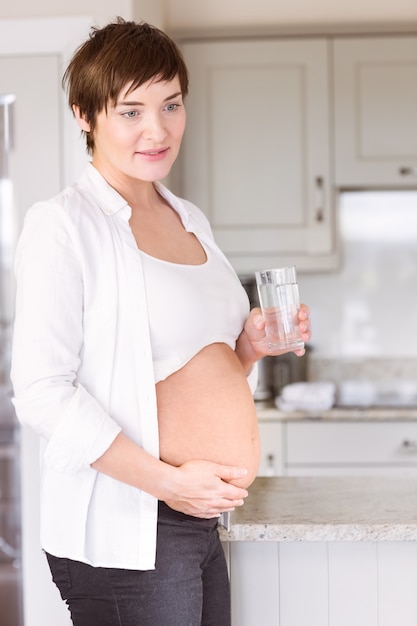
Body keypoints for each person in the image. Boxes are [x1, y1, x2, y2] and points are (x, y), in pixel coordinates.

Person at [10, 18, 311, 626]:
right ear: (84, 115)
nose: (158, 129)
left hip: (196, 514)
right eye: (131, 111)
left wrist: (247, 349)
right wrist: (167, 483)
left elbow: (185, 368)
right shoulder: (64, 225)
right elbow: (41, 394)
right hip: (133, 519)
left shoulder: (188, 216)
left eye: (171, 104)